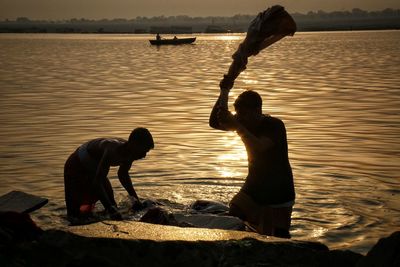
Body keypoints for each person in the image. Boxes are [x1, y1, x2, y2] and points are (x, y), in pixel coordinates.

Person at [209, 76, 295, 238]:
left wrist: (237, 126)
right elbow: (214, 122)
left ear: (258, 111)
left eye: (245, 114)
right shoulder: (243, 122)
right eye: (239, 114)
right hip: (254, 185)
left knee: (278, 235)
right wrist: (224, 91)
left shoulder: (274, 125)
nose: (241, 118)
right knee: (234, 215)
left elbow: (260, 146)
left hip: (279, 188)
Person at [64, 127, 154, 222]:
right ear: (134, 145)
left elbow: (123, 174)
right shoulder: (112, 150)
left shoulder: (130, 152)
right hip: (76, 165)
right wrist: (111, 210)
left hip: (93, 168)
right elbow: (97, 183)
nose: (144, 155)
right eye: (143, 151)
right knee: (74, 214)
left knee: (111, 203)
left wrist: (135, 200)